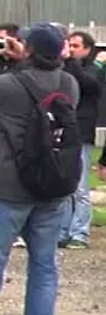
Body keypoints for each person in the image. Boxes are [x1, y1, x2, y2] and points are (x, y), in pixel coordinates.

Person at [0, 23, 81, 315]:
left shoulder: (10, 87)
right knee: (43, 264)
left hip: (9, 186)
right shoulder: (69, 84)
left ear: (28, 50)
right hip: (52, 184)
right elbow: (38, 83)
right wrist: (22, 60)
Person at [58, 31, 104, 249]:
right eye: (70, 45)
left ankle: (80, 232)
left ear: (87, 48)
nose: (73, 49)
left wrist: (70, 61)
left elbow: (88, 85)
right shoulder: (62, 69)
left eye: (76, 46)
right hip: (63, 133)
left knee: (80, 188)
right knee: (64, 185)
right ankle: (63, 230)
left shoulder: (94, 69)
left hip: (82, 132)